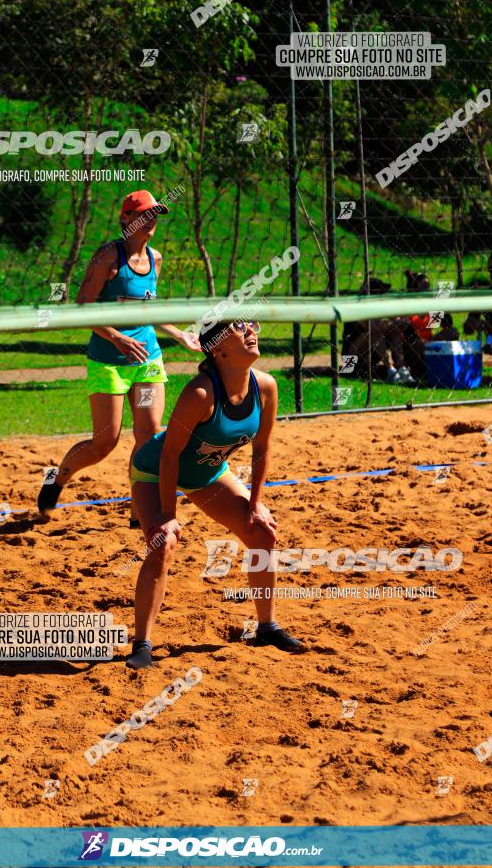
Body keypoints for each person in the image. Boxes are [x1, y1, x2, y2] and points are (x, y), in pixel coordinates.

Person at [125, 319, 307, 670]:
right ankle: (142, 645)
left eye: (251, 325)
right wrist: (167, 513)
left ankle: (267, 626)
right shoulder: (201, 393)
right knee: (163, 543)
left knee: (263, 532)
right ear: (219, 349)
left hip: (207, 474)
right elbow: (168, 454)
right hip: (154, 470)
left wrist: (255, 505)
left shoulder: (265, 386)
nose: (252, 331)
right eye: (240, 328)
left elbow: (262, 448)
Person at [37, 190, 201, 521]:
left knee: (149, 433)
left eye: (155, 213)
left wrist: (178, 333)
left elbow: (148, 309)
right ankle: (59, 477)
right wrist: (116, 337)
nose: (151, 219)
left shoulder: (156, 259)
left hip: (147, 360)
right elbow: (81, 308)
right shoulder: (107, 257)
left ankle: (139, 510)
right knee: (104, 442)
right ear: (125, 219)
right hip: (108, 362)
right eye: (143, 213)